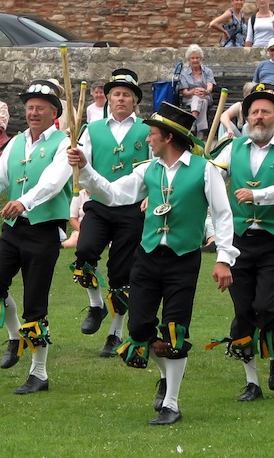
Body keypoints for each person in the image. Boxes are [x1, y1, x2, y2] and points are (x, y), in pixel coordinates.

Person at [68, 101, 238, 425]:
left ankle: (171, 403)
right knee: (139, 328)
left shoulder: (206, 170)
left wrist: (224, 259)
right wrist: (87, 169)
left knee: (173, 332)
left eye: (153, 134)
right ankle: (166, 377)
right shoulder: (147, 169)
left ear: (169, 138)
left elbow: (222, 215)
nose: (148, 139)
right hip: (146, 257)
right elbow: (114, 194)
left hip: (182, 260)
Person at [0, 80, 72, 394]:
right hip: (14, 231)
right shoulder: (16, 143)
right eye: (30, 107)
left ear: (54, 112)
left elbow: (53, 182)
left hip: (45, 231)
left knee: (35, 305)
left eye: (40, 107)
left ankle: (39, 374)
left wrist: (25, 201)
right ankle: (14, 336)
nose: (33, 112)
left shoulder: (65, 144)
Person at [209, 84, 274, 401]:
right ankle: (252, 382)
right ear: (246, 118)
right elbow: (210, 179)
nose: (259, 117)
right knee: (244, 311)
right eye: (254, 112)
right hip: (238, 243)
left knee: (266, 306)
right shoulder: (231, 149)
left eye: (265, 112)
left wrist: (259, 195)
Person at [70, 68, 150, 357]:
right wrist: (80, 195)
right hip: (100, 205)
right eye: (116, 94)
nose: (120, 99)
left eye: (126, 95)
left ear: (134, 101)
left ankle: (115, 333)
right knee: (85, 252)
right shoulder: (92, 129)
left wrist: (152, 196)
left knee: (121, 273)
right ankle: (96, 305)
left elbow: (156, 167)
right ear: (108, 98)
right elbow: (81, 165)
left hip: (133, 209)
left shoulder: (146, 129)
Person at [180, 44, 216, 138]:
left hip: (206, 96)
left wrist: (205, 91)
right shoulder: (184, 74)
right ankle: (200, 130)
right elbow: (185, 92)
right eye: (192, 58)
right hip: (189, 98)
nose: (195, 60)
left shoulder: (207, 71)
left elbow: (210, 87)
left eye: (197, 58)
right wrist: (193, 92)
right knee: (200, 100)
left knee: (202, 99)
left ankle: (192, 122)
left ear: (201, 59)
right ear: (189, 60)